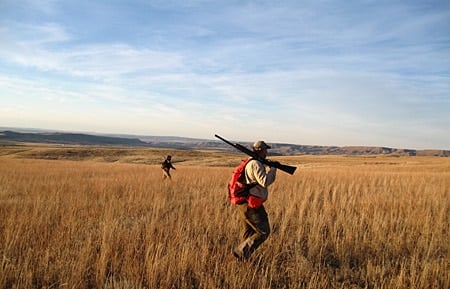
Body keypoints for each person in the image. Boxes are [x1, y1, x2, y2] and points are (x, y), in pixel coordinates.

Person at [233, 140, 277, 260]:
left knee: (248, 233)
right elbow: (264, 181)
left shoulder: (250, 162)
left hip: (245, 203)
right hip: (252, 204)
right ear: (260, 150)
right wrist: (273, 170)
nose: (266, 152)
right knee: (264, 231)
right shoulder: (255, 164)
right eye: (265, 150)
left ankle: (243, 260)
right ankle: (241, 252)